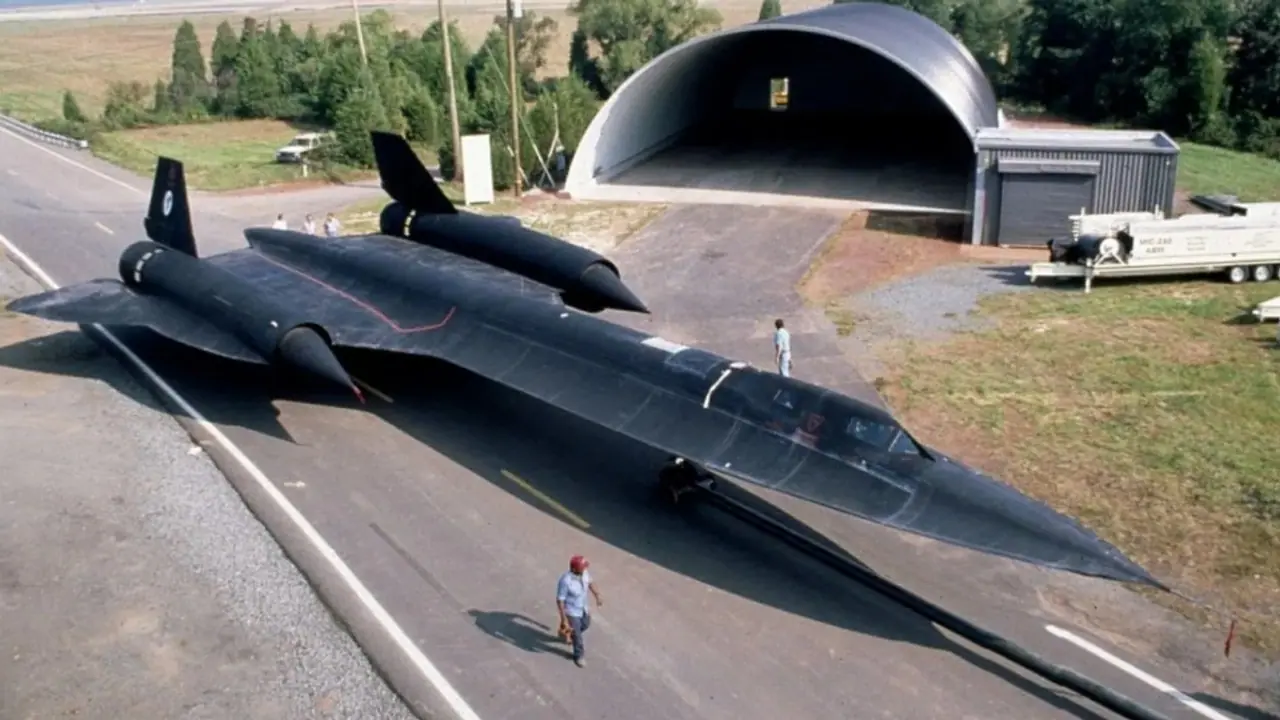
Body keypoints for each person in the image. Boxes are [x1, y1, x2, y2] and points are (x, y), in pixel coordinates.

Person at [556, 555, 602, 668]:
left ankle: (568, 632)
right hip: (571, 611)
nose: (585, 569)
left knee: (586, 624)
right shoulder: (566, 581)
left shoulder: (584, 574)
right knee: (577, 635)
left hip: (583, 608)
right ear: (575, 569)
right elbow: (560, 600)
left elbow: (591, 583)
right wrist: (564, 619)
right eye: (583, 567)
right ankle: (579, 655)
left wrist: (597, 595)